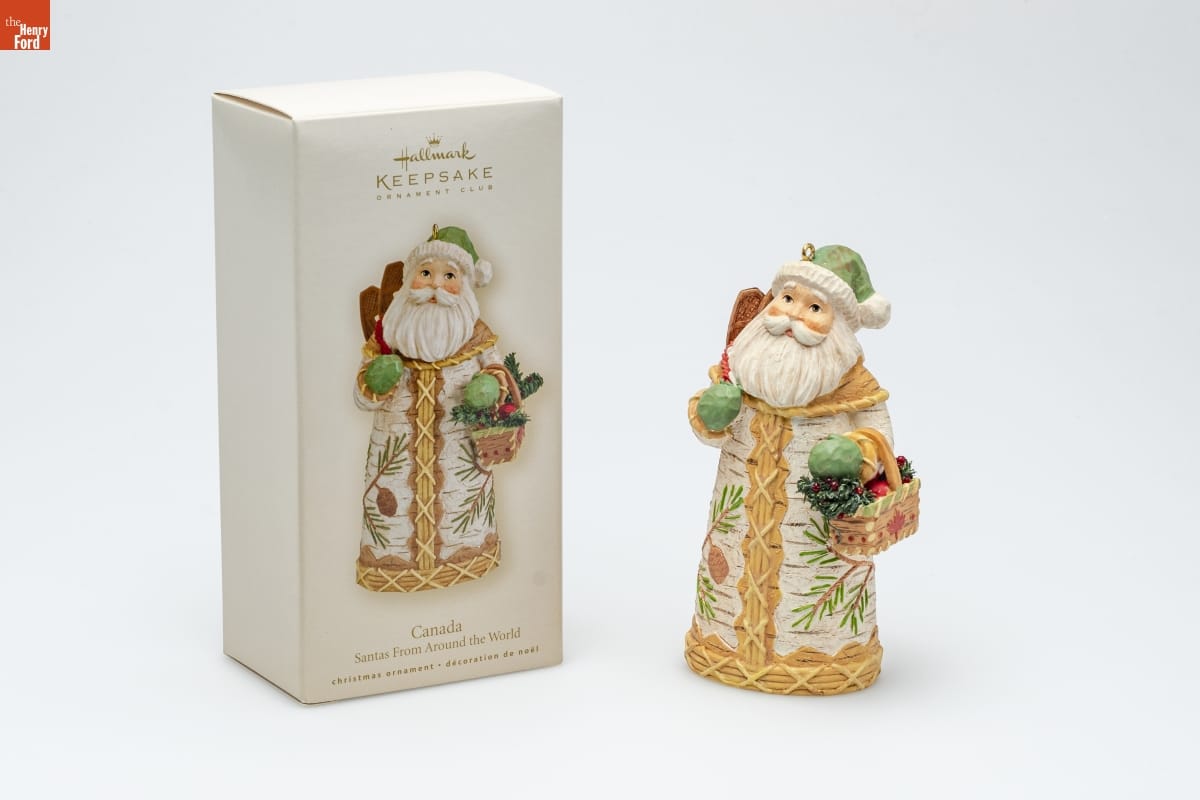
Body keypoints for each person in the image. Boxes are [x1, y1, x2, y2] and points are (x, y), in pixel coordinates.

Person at [685, 244, 898, 694]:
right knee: (728, 575)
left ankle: (820, 662)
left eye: (814, 308)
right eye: (786, 298)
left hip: (818, 522)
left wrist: (856, 456)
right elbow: (714, 428)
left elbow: (878, 436)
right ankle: (721, 647)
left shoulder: (851, 382)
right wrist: (712, 415)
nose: (792, 316)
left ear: (839, 324)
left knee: (812, 585)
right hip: (739, 516)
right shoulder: (745, 367)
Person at [354, 224, 512, 592]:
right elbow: (362, 395)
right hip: (395, 464)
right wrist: (376, 380)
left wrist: (490, 386)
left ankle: (466, 561)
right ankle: (392, 572)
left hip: (460, 459)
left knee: (461, 517)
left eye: (449, 276)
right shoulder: (391, 333)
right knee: (392, 519)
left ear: (465, 285)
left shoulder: (477, 336)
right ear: (410, 279)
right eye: (425, 273)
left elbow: (498, 371)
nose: (436, 285)